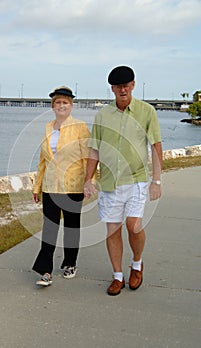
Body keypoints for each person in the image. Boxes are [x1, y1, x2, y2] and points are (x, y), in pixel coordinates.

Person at [84, 66, 162, 296]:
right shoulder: (102, 115)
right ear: (112, 89)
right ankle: (117, 275)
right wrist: (88, 179)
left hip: (136, 179)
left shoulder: (147, 112)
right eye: (118, 87)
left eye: (126, 86)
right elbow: (94, 150)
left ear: (133, 85)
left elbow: (156, 145)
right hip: (109, 182)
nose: (123, 90)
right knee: (112, 230)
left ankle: (137, 264)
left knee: (133, 226)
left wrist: (156, 181)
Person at [32, 86, 90, 286]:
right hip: (50, 186)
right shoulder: (48, 127)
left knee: (72, 227)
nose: (61, 106)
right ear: (53, 106)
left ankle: (70, 263)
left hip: (73, 186)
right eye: (58, 103)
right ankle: (45, 270)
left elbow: (87, 157)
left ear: (71, 105)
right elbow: (43, 161)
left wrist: (89, 182)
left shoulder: (80, 126)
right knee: (50, 228)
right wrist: (36, 187)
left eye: (65, 102)